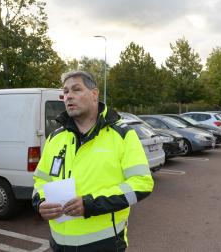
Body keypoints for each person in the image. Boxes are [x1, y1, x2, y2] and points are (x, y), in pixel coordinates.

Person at [32, 70, 154, 252]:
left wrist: (90, 204)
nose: (69, 96)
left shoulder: (122, 134)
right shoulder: (55, 138)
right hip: (59, 244)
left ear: (94, 94)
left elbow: (141, 184)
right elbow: (40, 180)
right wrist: (40, 202)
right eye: (65, 92)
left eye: (76, 90)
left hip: (104, 244)